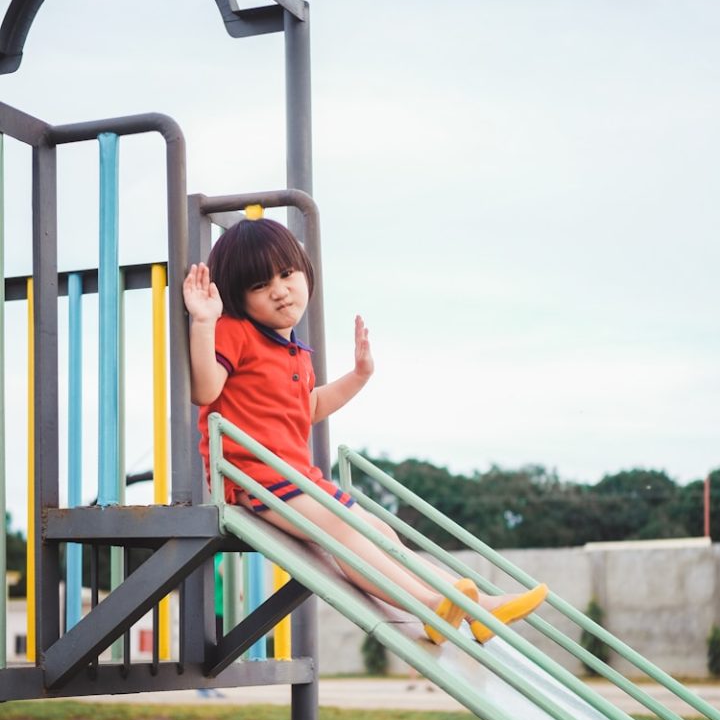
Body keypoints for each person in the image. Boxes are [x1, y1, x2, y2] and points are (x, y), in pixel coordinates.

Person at [183, 218, 547, 645]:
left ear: (305, 272)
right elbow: (205, 390)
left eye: (287, 274)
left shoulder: (294, 352)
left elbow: (310, 407)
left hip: (296, 479)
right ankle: (430, 607)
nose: (280, 290)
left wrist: (358, 376)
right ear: (239, 298)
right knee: (345, 533)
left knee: (379, 531)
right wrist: (205, 322)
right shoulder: (235, 332)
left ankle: (478, 609)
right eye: (261, 286)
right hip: (255, 481)